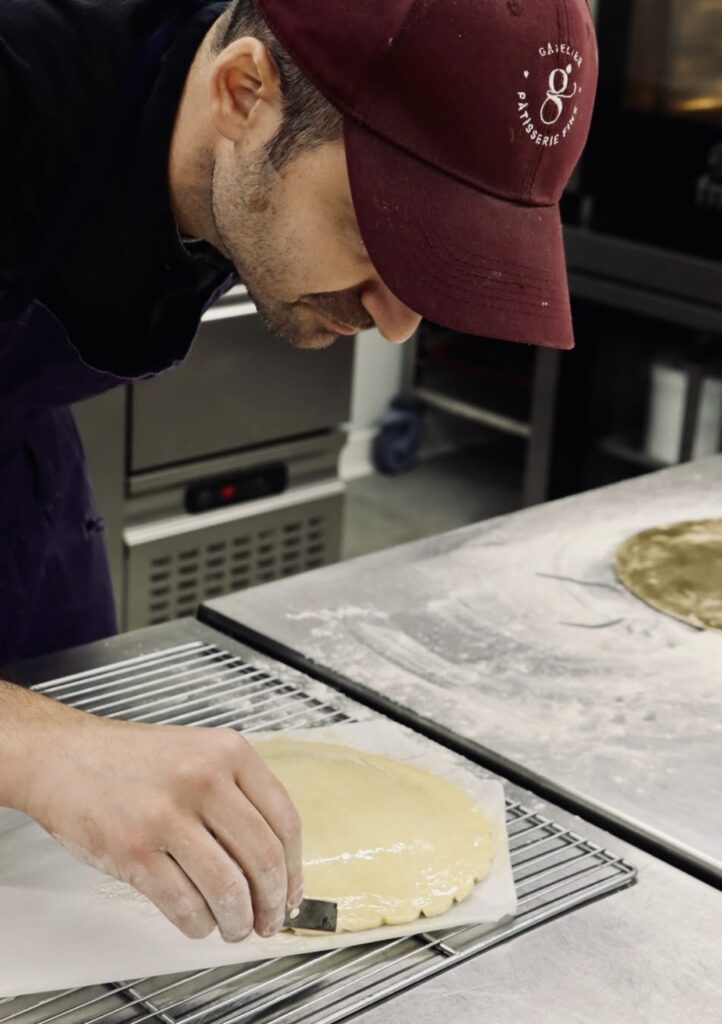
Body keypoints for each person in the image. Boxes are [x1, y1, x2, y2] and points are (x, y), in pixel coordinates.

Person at [0, 0, 598, 942]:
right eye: (378, 234)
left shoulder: (238, 125)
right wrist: (44, 752)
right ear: (242, 92)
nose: (397, 323)